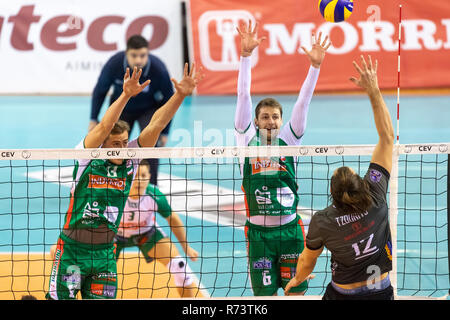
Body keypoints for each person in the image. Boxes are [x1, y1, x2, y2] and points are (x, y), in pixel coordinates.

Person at [46, 63, 203, 300]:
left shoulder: (131, 161)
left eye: (124, 143)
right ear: (103, 145)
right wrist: (125, 95)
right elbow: (104, 126)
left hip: (105, 255)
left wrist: (179, 95)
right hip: (72, 251)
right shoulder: (87, 157)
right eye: (114, 144)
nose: (121, 149)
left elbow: (157, 124)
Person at [285, 55, 395, 300]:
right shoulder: (375, 195)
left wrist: (298, 278)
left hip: (343, 294)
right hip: (380, 292)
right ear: (362, 185)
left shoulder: (323, 220)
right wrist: (374, 90)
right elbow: (387, 138)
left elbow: (307, 259)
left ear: (333, 196)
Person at [234, 20, 330, 296]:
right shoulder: (245, 139)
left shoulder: (290, 140)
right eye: (265, 117)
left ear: (282, 121)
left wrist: (315, 67)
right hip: (259, 236)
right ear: (255, 121)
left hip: (290, 233)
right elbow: (243, 94)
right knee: (263, 297)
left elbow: (303, 102)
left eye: (275, 117)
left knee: (296, 293)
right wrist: (245, 56)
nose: (271, 121)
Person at [89, 35, 174, 186]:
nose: (138, 60)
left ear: (148, 53)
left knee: (151, 146)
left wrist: (165, 131)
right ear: (126, 53)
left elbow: (169, 99)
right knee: (110, 143)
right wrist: (93, 119)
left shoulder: (158, 69)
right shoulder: (114, 65)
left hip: (148, 110)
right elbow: (100, 91)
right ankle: (110, 181)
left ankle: (150, 187)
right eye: (134, 56)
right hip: (121, 108)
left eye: (143, 55)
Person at [115, 160, 200, 298]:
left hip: (146, 234)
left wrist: (186, 247)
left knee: (180, 266)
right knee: (99, 271)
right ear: (127, 176)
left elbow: (173, 219)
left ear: (149, 176)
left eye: (143, 176)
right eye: (136, 176)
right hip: (114, 237)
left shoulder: (154, 195)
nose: (139, 180)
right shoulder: (115, 194)